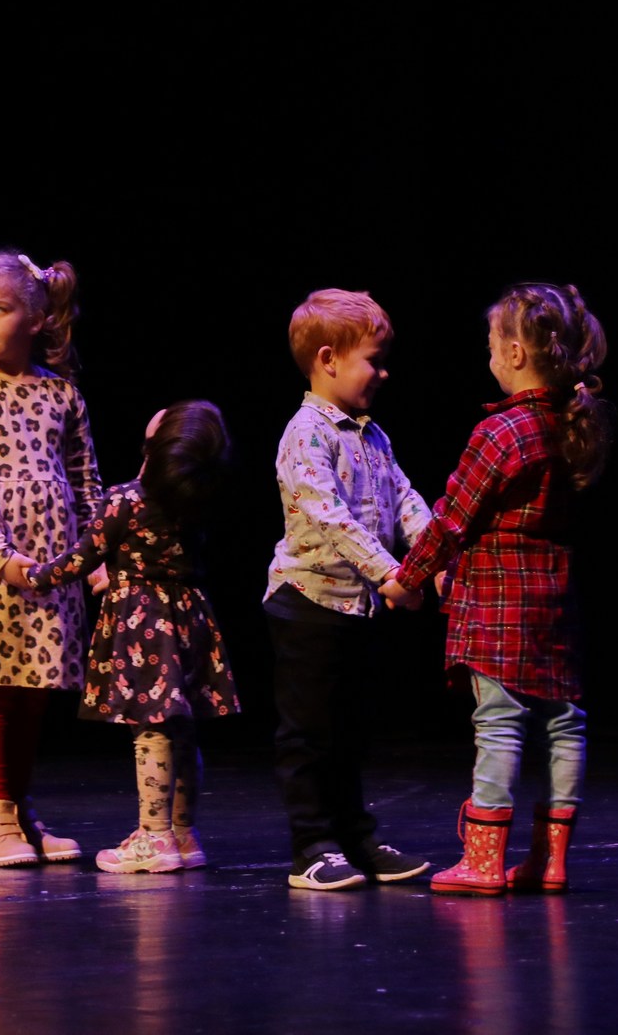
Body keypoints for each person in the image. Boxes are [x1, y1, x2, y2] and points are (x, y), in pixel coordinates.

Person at [380, 282, 615, 896]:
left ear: (515, 353)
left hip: (500, 600)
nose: (488, 357)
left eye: (490, 346)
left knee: (499, 723)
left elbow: (452, 520)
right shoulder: (570, 422)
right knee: (564, 723)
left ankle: (484, 861)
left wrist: (406, 580)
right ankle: (550, 860)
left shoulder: (503, 431)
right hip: (555, 598)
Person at [0, 248, 103, 868]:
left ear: (35, 318)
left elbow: (86, 480)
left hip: (55, 563)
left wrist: (96, 553)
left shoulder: (62, 394)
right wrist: (2, 555)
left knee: (35, 688)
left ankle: (18, 810)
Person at [263, 287, 434, 891]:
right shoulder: (305, 434)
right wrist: (392, 574)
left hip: (355, 611)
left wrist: (434, 558)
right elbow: (331, 519)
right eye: (374, 361)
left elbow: (405, 499)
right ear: (329, 359)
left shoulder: (373, 435)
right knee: (309, 735)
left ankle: (356, 838)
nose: (384, 373)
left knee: (348, 733)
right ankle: (311, 846)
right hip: (307, 605)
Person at [26, 400, 240, 873]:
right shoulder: (199, 500)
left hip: (144, 624)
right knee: (182, 730)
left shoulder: (126, 498)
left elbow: (81, 558)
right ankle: (182, 834)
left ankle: (155, 837)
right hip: (188, 618)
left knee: (151, 728)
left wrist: (32, 577)